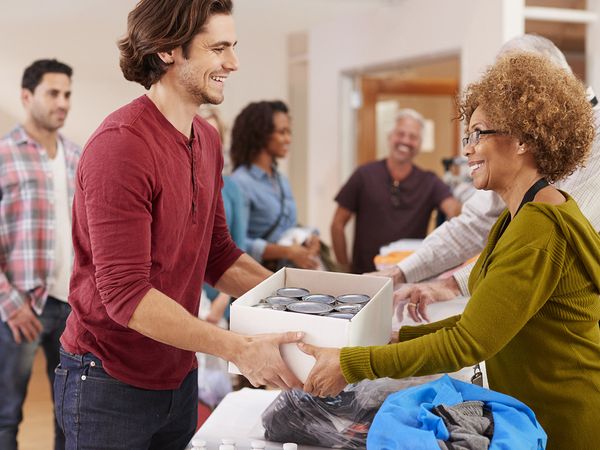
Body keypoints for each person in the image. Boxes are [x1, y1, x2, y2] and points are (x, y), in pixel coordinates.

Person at [299, 52, 600, 449]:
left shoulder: (539, 228)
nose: (468, 150)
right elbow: (478, 322)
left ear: (524, 138)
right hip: (538, 410)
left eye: (479, 134)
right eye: (467, 137)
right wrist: (397, 339)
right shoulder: (520, 217)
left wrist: (352, 364)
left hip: (565, 418)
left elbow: (467, 343)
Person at [54, 1, 302, 449]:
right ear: (170, 51)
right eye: (218, 48)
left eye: (233, 47)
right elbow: (126, 295)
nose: (233, 62)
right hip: (108, 381)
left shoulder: (205, 139)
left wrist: (296, 301)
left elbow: (218, 254)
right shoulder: (121, 147)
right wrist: (238, 348)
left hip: (177, 373)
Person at [375, 35, 600, 319]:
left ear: (548, 85)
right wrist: (401, 272)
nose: (470, 149)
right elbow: (475, 223)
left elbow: (544, 245)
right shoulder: (525, 142)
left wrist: (453, 284)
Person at [0, 59, 79, 450]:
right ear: (27, 96)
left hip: (73, 306)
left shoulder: (77, 157)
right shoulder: (4, 155)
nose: (62, 102)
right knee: (5, 416)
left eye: (67, 94)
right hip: (21, 307)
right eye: (53, 93)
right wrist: (10, 304)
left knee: (70, 415)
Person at [331, 108, 461, 274]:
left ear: (419, 144)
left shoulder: (430, 181)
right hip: (365, 276)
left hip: (409, 277)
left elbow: (453, 210)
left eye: (413, 137)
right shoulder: (364, 175)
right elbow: (337, 224)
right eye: (400, 134)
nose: (405, 141)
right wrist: (343, 269)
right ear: (390, 137)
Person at [230, 100, 320, 270]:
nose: (288, 139)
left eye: (289, 132)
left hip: (289, 273)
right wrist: (286, 252)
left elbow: (289, 228)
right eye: (282, 132)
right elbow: (234, 243)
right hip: (260, 276)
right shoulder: (239, 183)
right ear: (260, 134)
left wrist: (310, 238)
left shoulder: (281, 180)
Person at [198, 106, 246, 325]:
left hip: (220, 296)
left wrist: (222, 301)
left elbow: (237, 248)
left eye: (213, 135)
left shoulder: (232, 189)